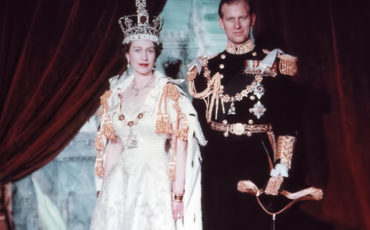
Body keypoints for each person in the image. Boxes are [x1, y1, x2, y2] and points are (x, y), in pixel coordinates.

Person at [90, 1, 206, 229]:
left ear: (156, 54)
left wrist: (178, 195)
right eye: (137, 50)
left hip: (155, 182)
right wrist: (103, 189)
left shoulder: (168, 93)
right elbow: (115, 146)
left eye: (149, 50)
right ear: (127, 55)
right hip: (120, 182)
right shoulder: (116, 94)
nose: (143, 56)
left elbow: (181, 145)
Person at [187, 0, 300, 229]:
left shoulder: (273, 65)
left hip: (256, 159)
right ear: (221, 23)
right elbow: (198, 127)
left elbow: (287, 122)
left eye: (242, 18)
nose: (237, 25)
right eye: (230, 19)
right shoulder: (206, 69)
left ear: (252, 20)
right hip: (216, 165)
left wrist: (282, 167)